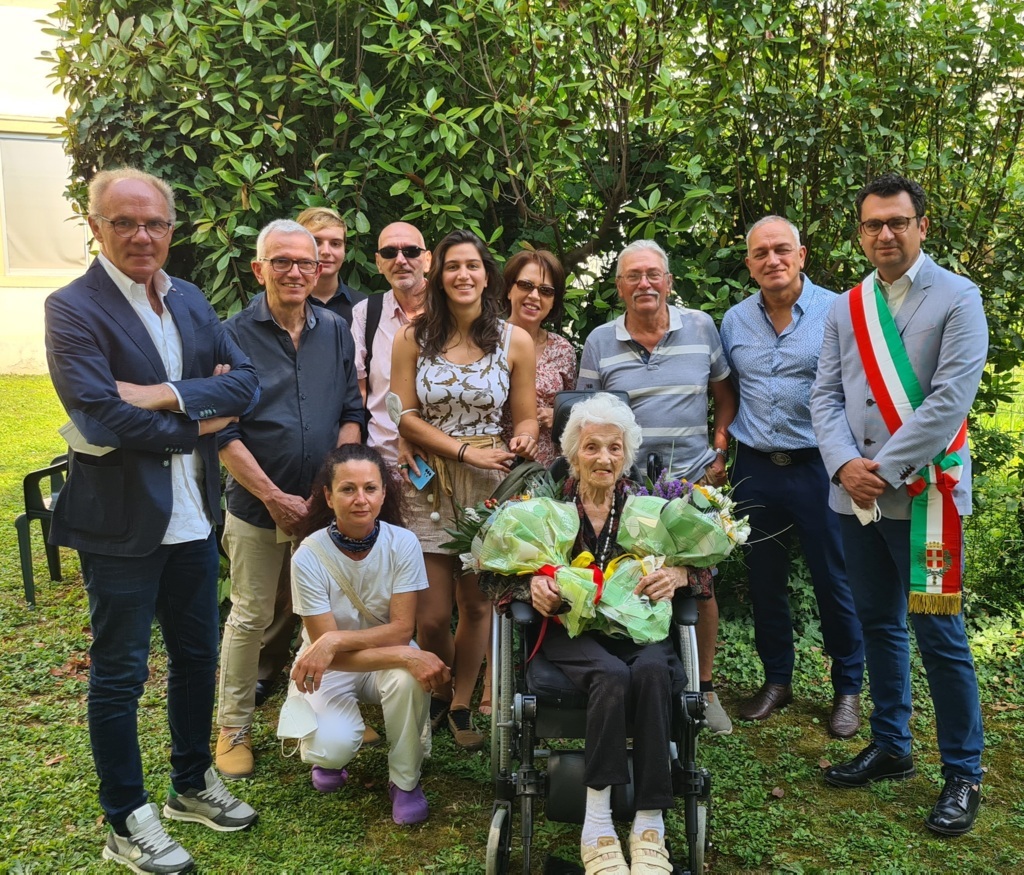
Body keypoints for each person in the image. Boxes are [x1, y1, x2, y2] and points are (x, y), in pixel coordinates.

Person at [44, 167, 259, 873]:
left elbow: (243, 384)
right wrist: (198, 422)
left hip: (193, 519)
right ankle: (125, 818)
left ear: (172, 228)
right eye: (125, 221)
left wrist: (163, 393)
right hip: (121, 525)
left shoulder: (191, 300)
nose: (142, 235)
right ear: (96, 225)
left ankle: (191, 782)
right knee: (120, 672)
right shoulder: (71, 307)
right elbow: (98, 411)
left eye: (155, 223)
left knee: (198, 657)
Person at [810, 173, 988, 835]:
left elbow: (948, 403)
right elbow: (824, 395)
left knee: (939, 634)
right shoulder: (847, 304)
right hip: (852, 499)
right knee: (877, 622)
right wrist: (842, 465)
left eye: (897, 222)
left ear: (921, 225)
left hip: (925, 497)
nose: (885, 234)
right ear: (861, 232)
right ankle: (892, 744)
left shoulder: (959, 299)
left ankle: (963, 772)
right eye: (872, 224)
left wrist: (878, 470)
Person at [215, 219, 364, 780]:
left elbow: (352, 412)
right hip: (258, 504)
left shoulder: (335, 330)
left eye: (306, 261)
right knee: (250, 616)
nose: (297, 270)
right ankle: (233, 729)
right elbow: (222, 431)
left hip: (321, 504)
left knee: (324, 614)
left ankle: (326, 713)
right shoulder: (229, 336)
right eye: (282, 261)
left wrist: (332, 486)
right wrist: (275, 495)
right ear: (259, 269)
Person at [577, 239, 737, 735]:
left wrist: (719, 445)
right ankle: (634, 679)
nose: (644, 284)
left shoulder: (702, 328)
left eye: (653, 275)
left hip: (686, 483)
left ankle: (703, 688)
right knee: (625, 579)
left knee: (699, 584)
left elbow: (724, 393)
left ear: (668, 281)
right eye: (632, 276)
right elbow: (586, 417)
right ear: (619, 286)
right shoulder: (601, 341)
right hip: (622, 489)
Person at [524, 393, 688, 874]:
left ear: (626, 455)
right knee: (611, 676)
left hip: (636, 627)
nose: (604, 458)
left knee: (657, 670)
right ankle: (597, 822)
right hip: (570, 632)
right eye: (593, 447)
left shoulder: (648, 509)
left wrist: (677, 573)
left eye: (615, 448)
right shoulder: (547, 508)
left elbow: (703, 570)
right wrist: (532, 582)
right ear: (574, 453)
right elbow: (497, 570)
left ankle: (649, 820)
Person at [391, 229, 539, 750]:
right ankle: (441, 685)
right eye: (453, 266)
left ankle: (459, 704)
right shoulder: (413, 337)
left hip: (489, 484)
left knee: (477, 605)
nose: (463, 275)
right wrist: (462, 451)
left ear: (487, 274)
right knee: (431, 614)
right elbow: (404, 415)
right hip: (428, 484)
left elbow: (524, 417)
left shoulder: (513, 339)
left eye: (473, 266)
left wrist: (523, 437)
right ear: (438, 274)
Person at [720, 216, 864, 737]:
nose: (772, 260)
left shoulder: (839, 312)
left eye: (782, 250)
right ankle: (777, 679)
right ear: (749, 264)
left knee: (835, 581)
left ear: (801, 254)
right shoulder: (734, 321)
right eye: (761, 253)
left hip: (820, 469)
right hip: (756, 468)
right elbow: (727, 390)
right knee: (765, 583)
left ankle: (848, 687)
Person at [286, 444, 449, 824]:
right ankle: (331, 752)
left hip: (370, 654)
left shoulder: (403, 543)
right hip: (331, 667)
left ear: (384, 492)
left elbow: (401, 629)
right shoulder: (308, 556)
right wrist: (408, 653)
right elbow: (331, 654)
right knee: (331, 751)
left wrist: (335, 640)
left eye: (370, 488)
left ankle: (405, 781)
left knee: (409, 679)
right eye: (347, 489)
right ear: (328, 496)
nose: (361, 499)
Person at [350, 222, 432, 467]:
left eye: (411, 251)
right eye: (389, 253)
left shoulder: (454, 312)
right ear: (378, 262)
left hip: (446, 459)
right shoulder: (366, 314)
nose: (400, 260)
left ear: (428, 260)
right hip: (385, 462)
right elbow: (358, 394)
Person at [501, 249, 578, 465]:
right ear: (509, 290)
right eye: (526, 285)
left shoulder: (563, 350)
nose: (534, 296)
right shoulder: (485, 342)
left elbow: (574, 407)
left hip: (548, 471)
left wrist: (559, 415)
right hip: (497, 465)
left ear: (553, 301)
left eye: (546, 291)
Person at [297, 206, 366, 325]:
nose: (326, 251)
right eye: (316, 242)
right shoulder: (280, 305)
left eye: (335, 244)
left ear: (344, 249)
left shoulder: (365, 307)